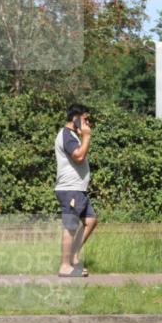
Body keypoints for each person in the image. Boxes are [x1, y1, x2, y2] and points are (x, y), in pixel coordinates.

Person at [54, 104, 97, 277]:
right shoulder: (67, 135)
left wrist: (83, 135)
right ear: (75, 118)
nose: (88, 123)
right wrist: (86, 136)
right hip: (70, 189)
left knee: (91, 220)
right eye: (85, 119)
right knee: (70, 226)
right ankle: (65, 266)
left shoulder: (72, 135)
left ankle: (73, 256)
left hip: (78, 189)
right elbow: (79, 157)